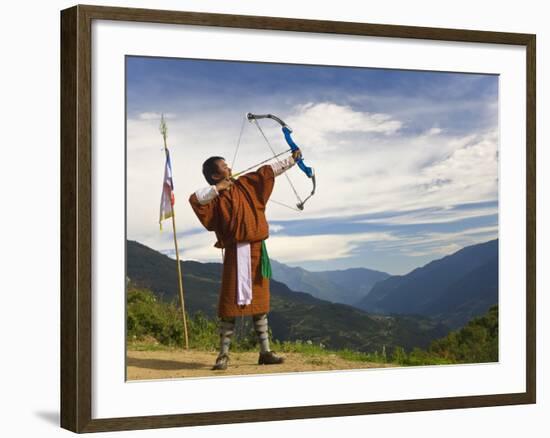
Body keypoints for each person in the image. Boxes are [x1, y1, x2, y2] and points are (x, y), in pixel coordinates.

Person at [189, 149, 302, 370]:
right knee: (230, 303)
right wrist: (218, 189)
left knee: (260, 303)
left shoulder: (245, 184)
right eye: (224, 167)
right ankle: (223, 355)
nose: (229, 168)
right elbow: (195, 199)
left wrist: (292, 160)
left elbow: (267, 172)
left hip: (257, 250)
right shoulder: (214, 197)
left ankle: (265, 352)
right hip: (235, 253)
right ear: (214, 176)